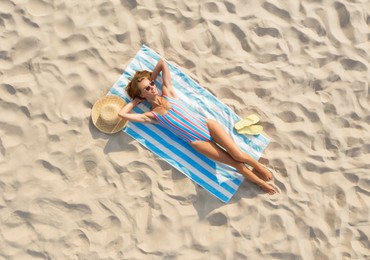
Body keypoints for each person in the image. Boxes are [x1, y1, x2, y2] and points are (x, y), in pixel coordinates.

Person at [118, 59, 277, 194]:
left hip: (207, 126)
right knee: (237, 164)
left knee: (239, 155)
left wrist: (147, 79)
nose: (152, 87)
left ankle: (257, 166)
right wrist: (135, 101)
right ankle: (261, 183)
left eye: (152, 84)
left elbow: (162, 63)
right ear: (142, 95)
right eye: (147, 88)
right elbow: (122, 115)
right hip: (197, 141)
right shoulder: (151, 116)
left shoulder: (168, 93)